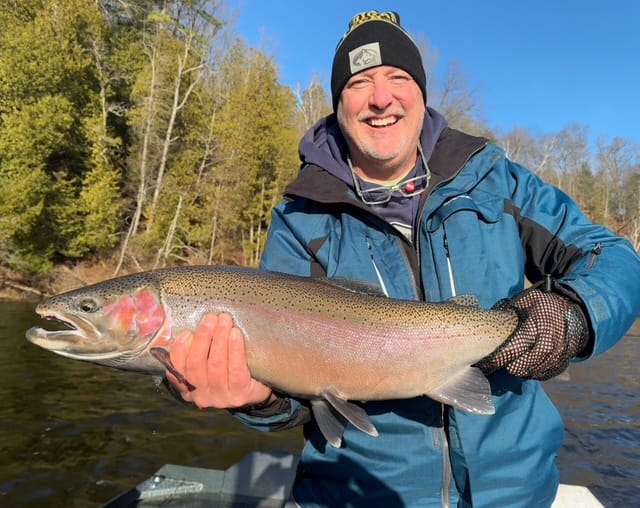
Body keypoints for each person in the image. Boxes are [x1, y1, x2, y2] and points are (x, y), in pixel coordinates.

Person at [166, 10, 640, 507]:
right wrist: (259, 399)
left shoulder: (495, 181)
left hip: (514, 494)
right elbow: (296, 402)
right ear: (338, 104)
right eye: (359, 83)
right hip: (358, 495)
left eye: (398, 77)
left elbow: (615, 259)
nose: (380, 98)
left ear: (421, 92)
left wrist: (573, 315)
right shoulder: (300, 219)